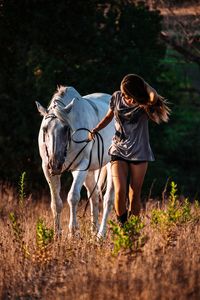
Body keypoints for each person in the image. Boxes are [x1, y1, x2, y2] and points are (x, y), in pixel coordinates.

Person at [88, 74, 170, 226]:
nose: (124, 96)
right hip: (118, 150)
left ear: (135, 92)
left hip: (139, 152)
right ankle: (123, 226)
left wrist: (144, 83)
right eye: (123, 93)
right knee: (119, 191)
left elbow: (153, 97)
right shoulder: (116, 97)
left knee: (134, 194)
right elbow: (108, 117)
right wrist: (95, 129)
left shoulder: (145, 103)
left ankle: (133, 229)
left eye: (127, 93)